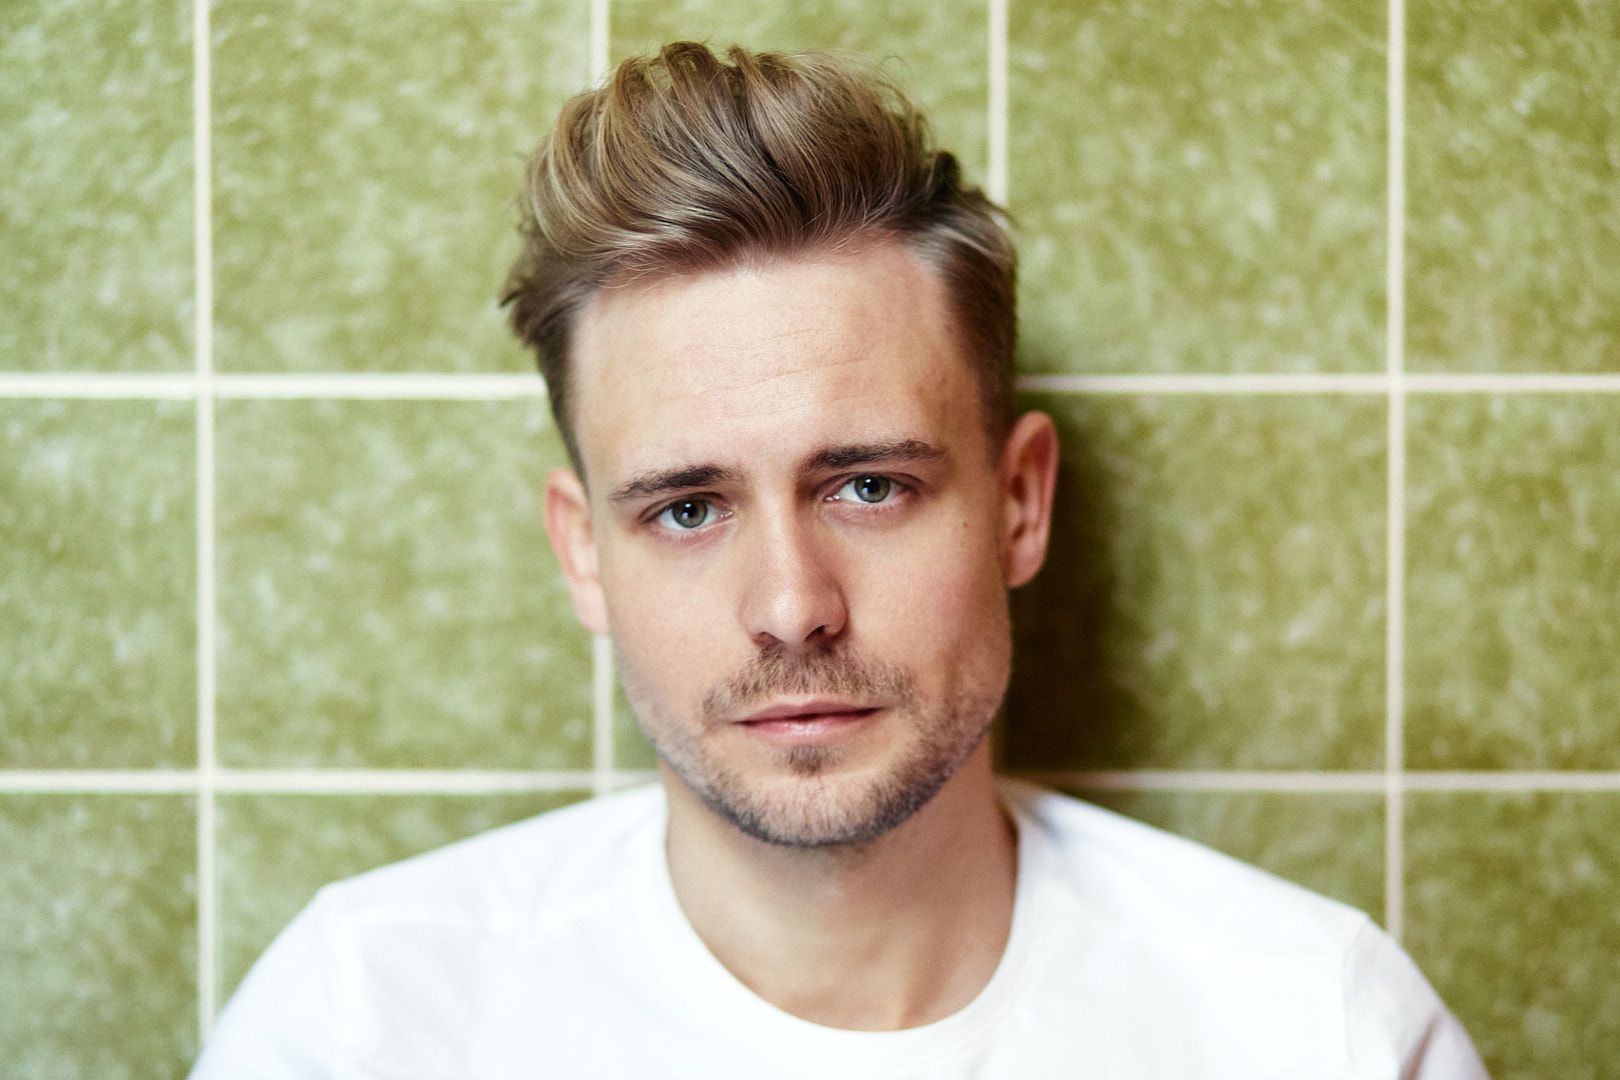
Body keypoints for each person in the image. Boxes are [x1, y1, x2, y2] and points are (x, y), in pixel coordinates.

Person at [193, 42, 1487, 1078]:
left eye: (870, 487)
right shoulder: (364, 1024)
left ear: (1019, 504)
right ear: (584, 555)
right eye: (687, 510)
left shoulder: (1317, 1029)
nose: (790, 606)